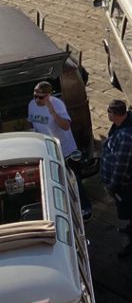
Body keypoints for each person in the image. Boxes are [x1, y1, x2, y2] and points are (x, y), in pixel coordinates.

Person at [28, 81, 91, 220]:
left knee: (74, 180)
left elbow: (66, 126)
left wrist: (53, 112)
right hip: (49, 151)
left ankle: (85, 207)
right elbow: (32, 123)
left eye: (41, 97)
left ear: (49, 95)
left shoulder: (57, 105)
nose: (37, 100)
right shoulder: (31, 105)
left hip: (66, 150)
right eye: (35, 96)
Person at [101, 99, 132, 258]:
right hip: (126, 184)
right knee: (131, 211)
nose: (107, 114)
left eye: (109, 111)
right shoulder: (123, 125)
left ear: (115, 114)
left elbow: (121, 165)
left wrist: (113, 186)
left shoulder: (126, 137)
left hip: (126, 185)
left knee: (131, 211)